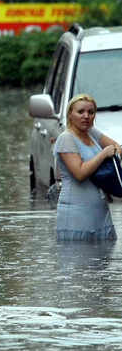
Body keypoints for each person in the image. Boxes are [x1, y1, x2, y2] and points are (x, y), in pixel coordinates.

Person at [53, 93, 122, 241]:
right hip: (76, 215)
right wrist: (103, 155)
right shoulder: (66, 139)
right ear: (70, 114)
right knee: (79, 260)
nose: (86, 116)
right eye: (80, 112)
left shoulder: (92, 133)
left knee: (105, 261)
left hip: (101, 212)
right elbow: (79, 173)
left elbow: (116, 146)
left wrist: (115, 154)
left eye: (91, 112)